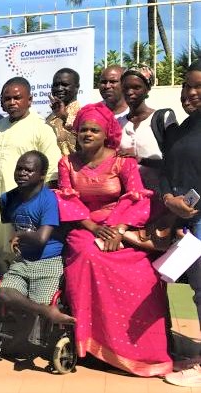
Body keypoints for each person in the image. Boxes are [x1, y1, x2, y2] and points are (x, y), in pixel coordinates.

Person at [55, 102, 171, 377]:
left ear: (106, 132)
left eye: (94, 130)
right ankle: (93, 345)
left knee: (143, 272)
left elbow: (137, 197)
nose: (88, 134)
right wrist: (95, 228)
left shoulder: (124, 162)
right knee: (89, 257)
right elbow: (68, 200)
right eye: (83, 129)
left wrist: (118, 228)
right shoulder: (67, 162)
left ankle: (141, 352)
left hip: (120, 225)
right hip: (85, 228)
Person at [0, 78, 61, 259]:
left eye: (17, 98)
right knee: (1, 253)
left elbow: (52, 170)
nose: (12, 103)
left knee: (20, 251)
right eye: (7, 98)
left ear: (30, 100)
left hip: (25, 206)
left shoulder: (41, 127)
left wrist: (37, 206)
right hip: (0, 200)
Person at [0, 151, 74, 325]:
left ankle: (37, 318)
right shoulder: (7, 198)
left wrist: (20, 235)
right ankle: (46, 311)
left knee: (34, 308)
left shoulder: (48, 199)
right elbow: (10, 226)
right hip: (23, 260)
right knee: (3, 293)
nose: (22, 173)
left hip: (49, 261)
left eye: (28, 170)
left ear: (42, 176)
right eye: (19, 169)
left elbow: (41, 239)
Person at [162, 60, 201, 387]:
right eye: (187, 85)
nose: (190, 92)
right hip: (184, 223)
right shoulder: (181, 129)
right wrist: (169, 201)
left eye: (198, 86)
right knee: (196, 292)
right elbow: (166, 174)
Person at [119, 65, 177, 193]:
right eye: (126, 88)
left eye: (136, 87)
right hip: (129, 200)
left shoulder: (164, 118)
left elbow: (176, 160)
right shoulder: (117, 123)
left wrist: (142, 160)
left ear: (147, 89)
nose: (129, 92)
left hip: (162, 199)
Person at [46, 68, 82, 156]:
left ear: (77, 87)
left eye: (65, 85)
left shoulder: (83, 115)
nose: (59, 88)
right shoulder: (50, 117)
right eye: (56, 85)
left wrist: (65, 117)